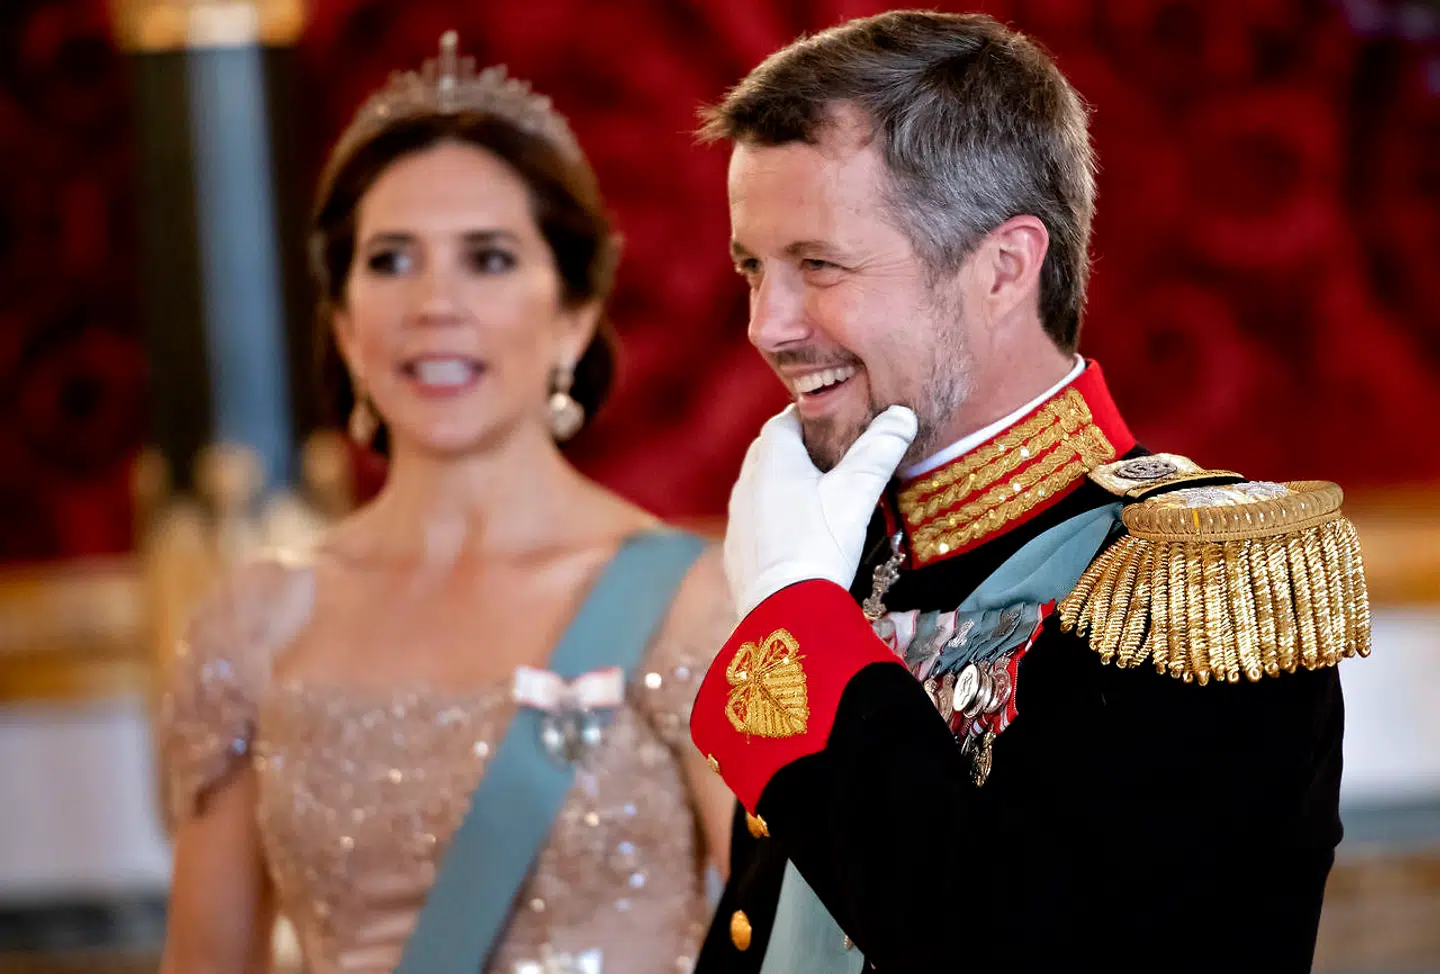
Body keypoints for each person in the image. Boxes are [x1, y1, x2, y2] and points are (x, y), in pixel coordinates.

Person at [688, 11, 1370, 973]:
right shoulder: (857, 554)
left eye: (819, 265)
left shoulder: (1195, 586)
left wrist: (797, 618)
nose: (768, 324)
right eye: (753, 268)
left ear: (1005, 266)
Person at [158, 33, 735, 974]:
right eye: (390, 261)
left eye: (489, 259)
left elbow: (789, 948)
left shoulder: (689, 603)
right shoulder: (252, 622)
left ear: (573, 316)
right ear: (343, 327)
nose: (435, 302)